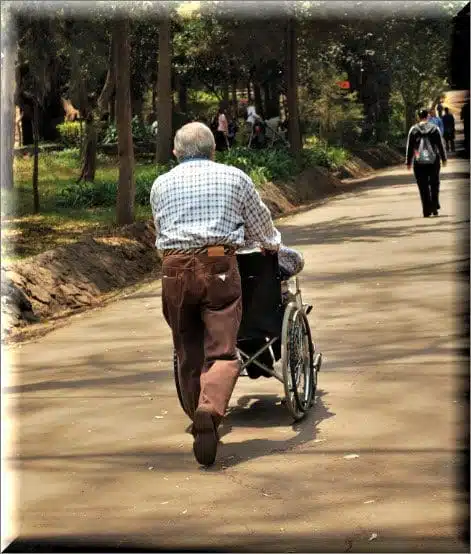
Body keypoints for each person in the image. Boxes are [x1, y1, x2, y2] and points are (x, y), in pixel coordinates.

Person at [150, 122, 281, 466]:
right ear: (214, 150)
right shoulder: (235, 177)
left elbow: (160, 229)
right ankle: (210, 408)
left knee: (186, 349)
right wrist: (272, 247)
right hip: (217, 261)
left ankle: (198, 415)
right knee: (222, 349)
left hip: (173, 266)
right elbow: (263, 229)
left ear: (175, 153)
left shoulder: (160, 184)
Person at [406, 109, 447, 217]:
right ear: (427, 116)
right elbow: (440, 145)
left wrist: (408, 162)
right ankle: (434, 207)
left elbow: (410, 147)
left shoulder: (413, 129)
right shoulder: (434, 128)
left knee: (422, 185)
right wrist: (444, 159)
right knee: (434, 183)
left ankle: (426, 210)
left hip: (419, 160)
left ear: (418, 117)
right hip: (434, 160)